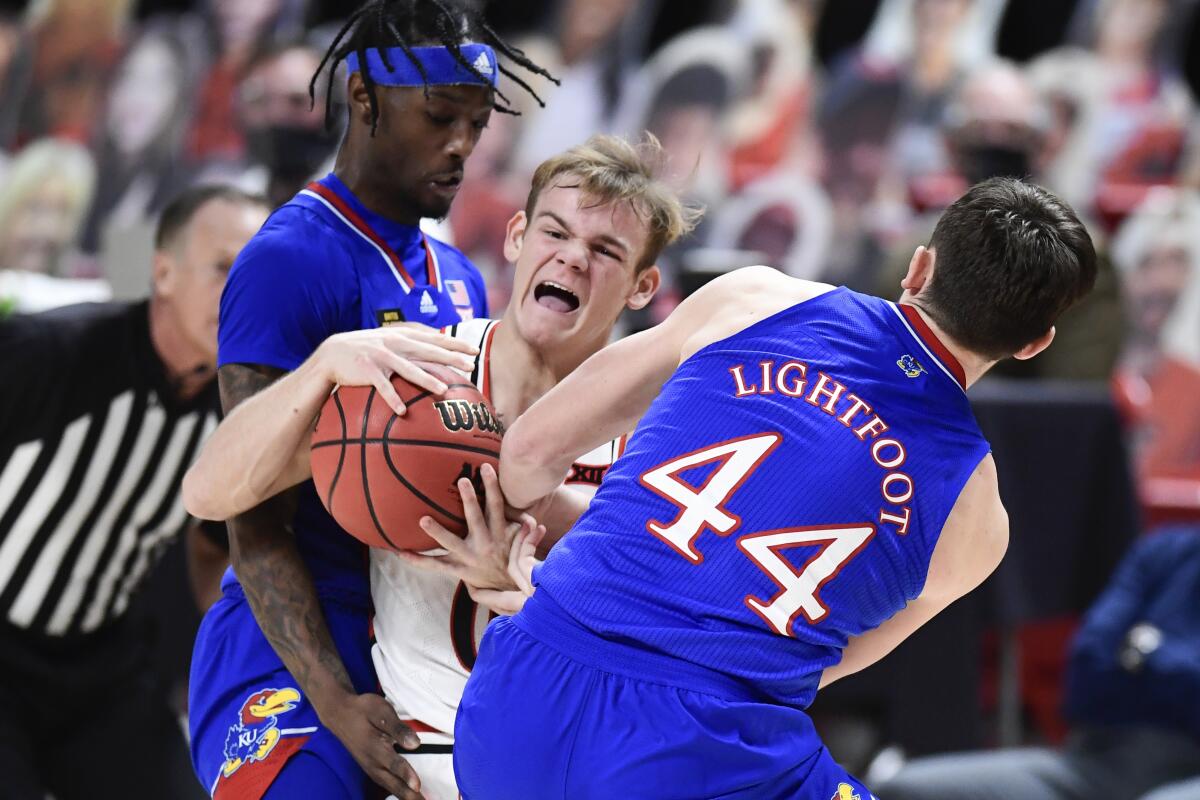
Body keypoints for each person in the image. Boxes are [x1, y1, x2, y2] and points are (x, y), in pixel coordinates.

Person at [448, 176, 1098, 799]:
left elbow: (530, 451)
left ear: (919, 269)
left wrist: (546, 576)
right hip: (695, 754)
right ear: (1035, 344)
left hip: (512, 701)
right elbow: (820, 666)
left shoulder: (754, 299)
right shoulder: (976, 518)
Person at [185, 132, 697, 799]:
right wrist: (321, 368)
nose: (572, 260)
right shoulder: (421, 369)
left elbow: (660, 653)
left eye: (605, 251)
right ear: (517, 237)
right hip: (406, 736)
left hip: (540, 765)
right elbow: (208, 490)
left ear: (642, 286)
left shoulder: (657, 439)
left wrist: (526, 591)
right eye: (556, 233)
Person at [182, 2, 554, 798]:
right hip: (288, 646)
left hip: (407, 635)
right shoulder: (289, 259)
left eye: (477, 124)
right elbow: (247, 511)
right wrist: (334, 700)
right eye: (440, 117)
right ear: (364, 99)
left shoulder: (460, 276)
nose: (461, 146)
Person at [0, 184, 269, 800]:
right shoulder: (51, 353)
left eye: (253, 274)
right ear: (164, 272)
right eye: (224, 268)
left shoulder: (238, 413)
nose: (240, 292)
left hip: (101, 668)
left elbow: (210, 545)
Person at [873, 527, 1200, 800]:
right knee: (903, 790)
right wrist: (1181, 672)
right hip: (1090, 762)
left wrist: (1142, 655)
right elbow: (1084, 673)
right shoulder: (1164, 552)